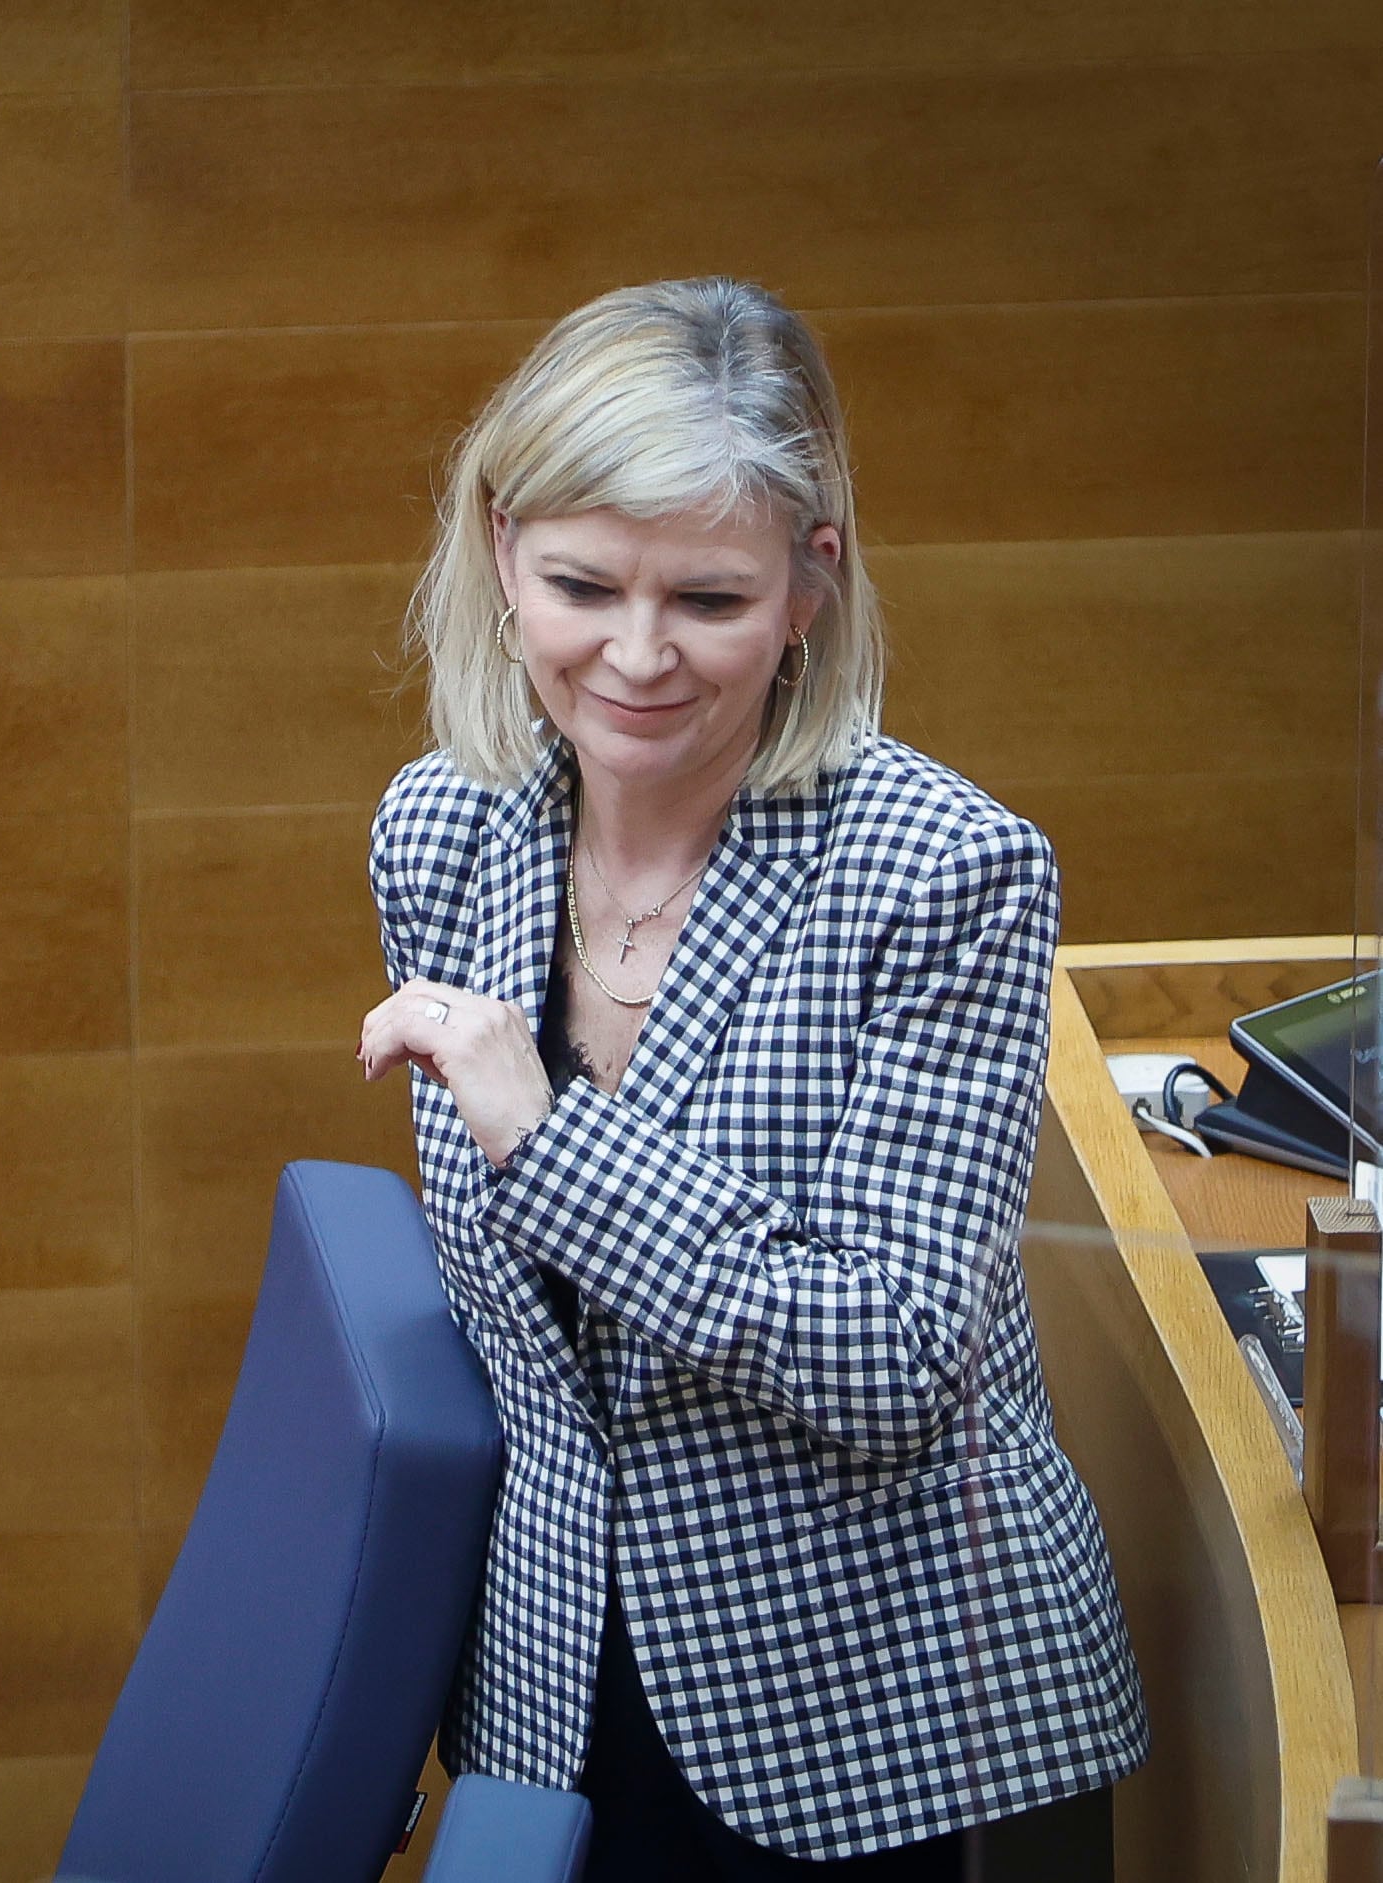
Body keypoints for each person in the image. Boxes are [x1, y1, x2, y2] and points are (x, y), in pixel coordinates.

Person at [355, 277, 1146, 1878]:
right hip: (550, 1702)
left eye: (707, 601)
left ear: (807, 585)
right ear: (501, 551)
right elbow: (533, 1353)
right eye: (584, 584)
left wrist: (544, 1136)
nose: (636, 658)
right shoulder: (438, 832)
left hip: (894, 1730)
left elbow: (892, 1356)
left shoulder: (947, 872)